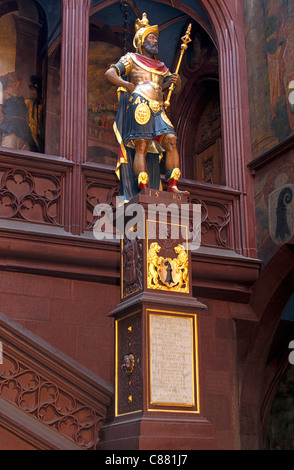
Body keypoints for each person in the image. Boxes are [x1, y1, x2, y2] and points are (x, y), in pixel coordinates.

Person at [105, 12, 188, 203]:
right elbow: (110, 73)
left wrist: (178, 81)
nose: (155, 41)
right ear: (141, 41)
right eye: (151, 37)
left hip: (158, 107)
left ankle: (173, 185)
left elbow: (170, 88)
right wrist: (126, 85)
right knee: (141, 145)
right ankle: (142, 188)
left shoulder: (161, 65)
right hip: (140, 104)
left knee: (171, 140)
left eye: (155, 38)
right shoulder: (131, 59)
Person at [0, 72, 37, 152]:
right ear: (13, 82)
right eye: (18, 84)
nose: (19, 87)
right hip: (9, 129)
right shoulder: (3, 94)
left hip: (23, 131)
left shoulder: (19, 96)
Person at [25, 75, 44, 152]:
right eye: (31, 90)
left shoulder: (43, 105)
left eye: (34, 90)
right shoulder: (28, 102)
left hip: (39, 136)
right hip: (29, 135)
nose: (32, 92)